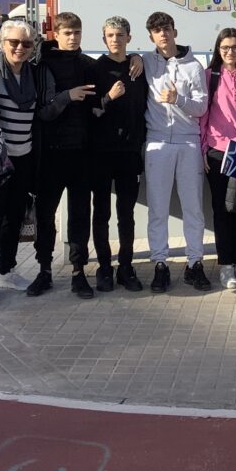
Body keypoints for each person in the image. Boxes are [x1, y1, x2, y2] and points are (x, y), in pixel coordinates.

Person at [28, 12, 97, 299]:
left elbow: (101, 105)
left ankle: (79, 272)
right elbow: (42, 111)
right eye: (67, 32)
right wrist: (67, 96)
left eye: (77, 32)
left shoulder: (89, 65)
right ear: (56, 33)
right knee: (46, 215)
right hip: (51, 156)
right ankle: (44, 270)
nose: (72, 37)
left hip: (82, 154)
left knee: (81, 215)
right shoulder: (42, 66)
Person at [142, 11, 211, 293]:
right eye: (157, 31)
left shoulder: (194, 66)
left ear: (174, 31)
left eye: (167, 29)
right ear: (151, 36)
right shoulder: (145, 61)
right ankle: (160, 264)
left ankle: (195, 263)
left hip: (188, 143)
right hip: (157, 143)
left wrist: (178, 99)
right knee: (157, 209)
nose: (163, 34)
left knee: (193, 208)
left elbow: (202, 107)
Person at [0, 19, 39, 301]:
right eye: (13, 42)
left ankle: (6, 269)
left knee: (15, 216)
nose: (20, 48)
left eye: (26, 44)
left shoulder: (33, 73)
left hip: (24, 156)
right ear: (2, 44)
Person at [88, 16, 148, 292]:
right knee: (101, 214)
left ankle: (126, 267)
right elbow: (89, 113)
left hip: (129, 154)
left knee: (127, 214)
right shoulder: (94, 69)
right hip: (100, 154)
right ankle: (104, 268)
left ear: (129, 38)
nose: (115, 39)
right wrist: (108, 98)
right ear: (104, 39)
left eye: (120, 35)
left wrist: (138, 58)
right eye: (110, 35)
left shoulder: (138, 68)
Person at [200, 28, 236, 289]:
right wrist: (203, 149)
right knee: (222, 210)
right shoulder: (210, 75)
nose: (230, 52)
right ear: (217, 48)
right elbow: (202, 115)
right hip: (217, 152)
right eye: (225, 47)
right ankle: (226, 266)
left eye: (235, 47)